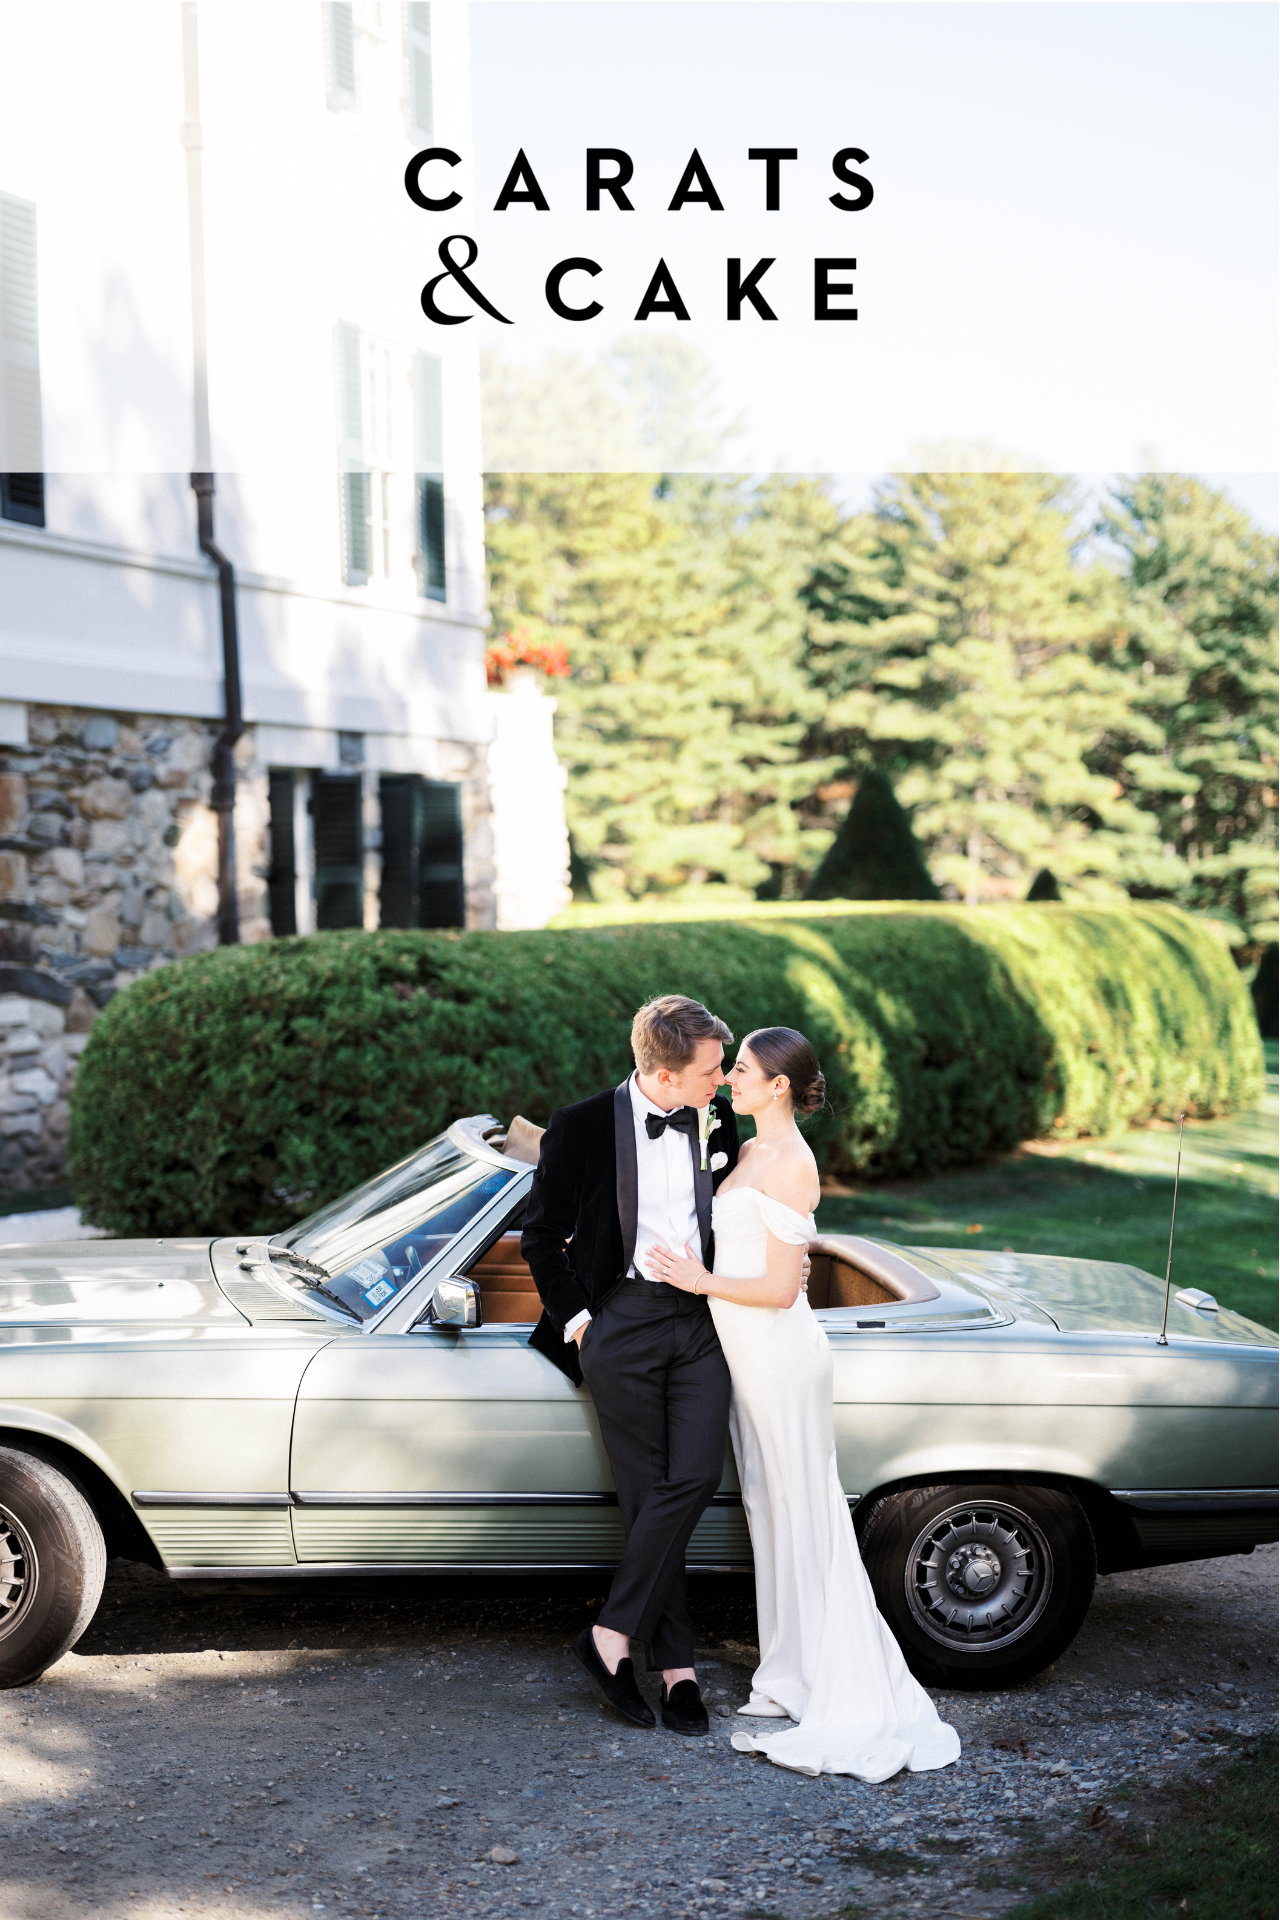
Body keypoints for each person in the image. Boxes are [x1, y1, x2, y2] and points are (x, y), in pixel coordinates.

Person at [645, 1026, 961, 1782]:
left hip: (780, 1358)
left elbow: (784, 1290)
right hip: (745, 1357)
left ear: (779, 1085)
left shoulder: (793, 1165)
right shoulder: (748, 1148)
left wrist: (699, 1281)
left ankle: (837, 1682)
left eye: (743, 1071)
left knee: (803, 1510)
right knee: (768, 1510)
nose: (730, 1082)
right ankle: (785, 1672)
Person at [521, 994, 741, 1737]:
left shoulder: (715, 1116)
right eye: (711, 1070)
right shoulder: (581, 1125)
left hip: (702, 1318)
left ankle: (609, 1637)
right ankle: (677, 1669)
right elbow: (540, 1236)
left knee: (695, 1477)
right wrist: (582, 1322)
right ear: (668, 1074)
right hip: (620, 1322)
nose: (723, 1081)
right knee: (649, 1495)